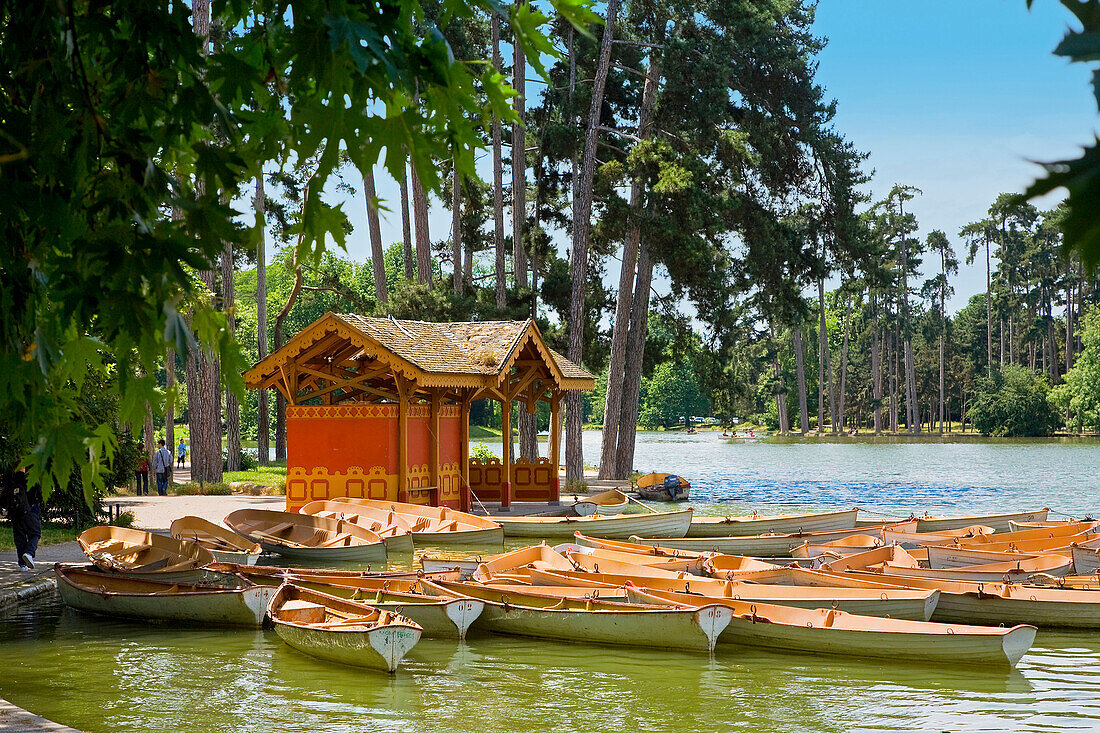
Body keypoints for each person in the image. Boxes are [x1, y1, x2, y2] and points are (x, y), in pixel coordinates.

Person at [1, 467, 42, 571]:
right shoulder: (30, 479)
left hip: (15, 514)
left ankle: (23, 565)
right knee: (35, 534)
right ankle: (29, 553)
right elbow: (39, 493)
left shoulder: (10, 481)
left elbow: (3, 500)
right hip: (30, 511)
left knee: (20, 538)